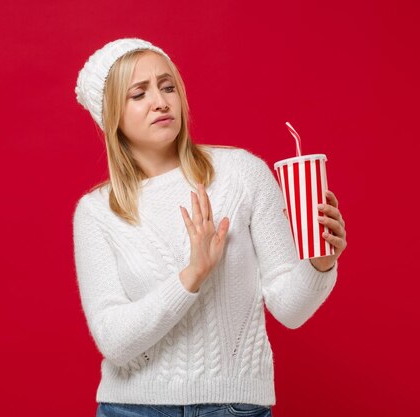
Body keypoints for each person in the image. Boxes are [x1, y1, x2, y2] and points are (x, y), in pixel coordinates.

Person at [73, 38, 347, 417]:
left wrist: (320, 263)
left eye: (168, 86)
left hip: (235, 407)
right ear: (111, 115)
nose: (160, 101)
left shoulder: (243, 174)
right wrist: (192, 276)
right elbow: (115, 341)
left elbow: (290, 309)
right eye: (139, 93)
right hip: (133, 409)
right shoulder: (97, 212)